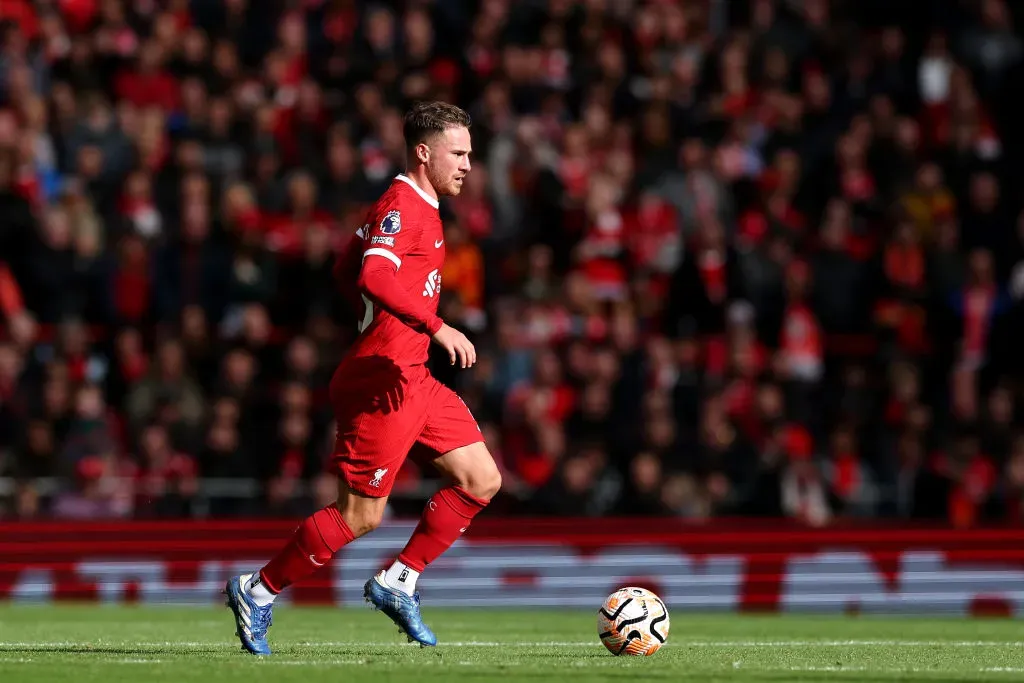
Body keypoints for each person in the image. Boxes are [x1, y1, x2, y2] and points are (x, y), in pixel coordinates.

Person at [224, 101, 502, 655]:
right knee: (361, 515)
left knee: (481, 478)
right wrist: (433, 325)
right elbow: (373, 273)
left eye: (470, 154)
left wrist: (378, 321)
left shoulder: (416, 207)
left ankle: (399, 581)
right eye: (458, 153)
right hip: (382, 381)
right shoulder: (402, 204)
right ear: (423, 152)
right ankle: (257, 590)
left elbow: (345, 266)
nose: (468, 165)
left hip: (412, 374)